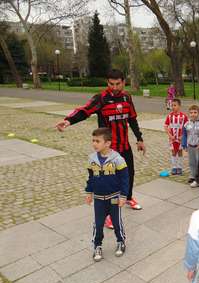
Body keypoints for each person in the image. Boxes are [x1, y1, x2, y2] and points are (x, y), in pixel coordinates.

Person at [55, 69, 145, 228]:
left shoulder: (127, 97)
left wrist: (139, 139)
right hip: (108, 150)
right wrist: (68, 121)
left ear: (123, 82)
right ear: (107, 83)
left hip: (124, 147)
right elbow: (84, 111)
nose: (115, 87)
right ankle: (107, 215)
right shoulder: (101, 98)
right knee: (109, 183)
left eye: (118, 84)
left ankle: (129, 197)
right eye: (111, 84)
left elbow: (132, 119)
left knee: (128, 175)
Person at [85, 128, 128, 262]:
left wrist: (123, 196)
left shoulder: (118, 159)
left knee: (116, 222)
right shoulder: (91, 159)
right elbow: (91, 177)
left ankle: (120, 241)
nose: (94, 144)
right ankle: (97, 245)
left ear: (107, 143)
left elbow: (125, 179)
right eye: (93, 141)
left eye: (98, 141)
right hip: (99, 199)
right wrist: (89, 192)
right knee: (98, 224)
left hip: (114, 197)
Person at [164, 98, 188, 175]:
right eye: (172, 105)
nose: (173, 107)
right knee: (173, 152)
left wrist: (183, 136)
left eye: (175, 105)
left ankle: (180, 167)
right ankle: (174, 167)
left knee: (180, 152)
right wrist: (170, 135)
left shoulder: (183, 116)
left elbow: (187, 127)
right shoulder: (170, 116)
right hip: (172, 138)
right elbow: (165, 126)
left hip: (180, 138)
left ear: (179, 106)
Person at [182, 105, 199, 184]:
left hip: (198, 146)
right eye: (191, 113)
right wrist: (184, 145)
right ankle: (192, 176)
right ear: (189, 113)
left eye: (195, 112)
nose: (193, 114)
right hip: (190, 146)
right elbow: (184, 135)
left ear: (198, 113)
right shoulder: (186, 124)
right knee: (192, 162)